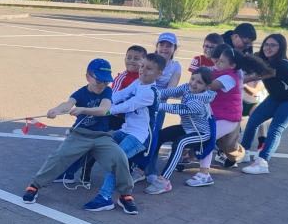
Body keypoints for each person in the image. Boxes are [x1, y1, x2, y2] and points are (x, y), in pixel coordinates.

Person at [21, 59, 136, 212]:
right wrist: (55, 110)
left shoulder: (107, 92)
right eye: (99, 80)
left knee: (119, 157)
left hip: (102, 137)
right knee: (59, 156)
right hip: (80, 135)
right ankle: (34, 186)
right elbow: (67, 104)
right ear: (88, 77)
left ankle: (125, 195)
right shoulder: (81, 92)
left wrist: (82, 110)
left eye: (106, 81)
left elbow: (104, 110)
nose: (102, 84)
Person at [84, 54, 163, 212]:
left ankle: (105, 197)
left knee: (116, 161)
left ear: (159, 73)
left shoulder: (151, 92)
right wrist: (101, 100)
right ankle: (125, 195)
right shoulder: (138, 82)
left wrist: (104, 111)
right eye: (142, 66)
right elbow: (120, 95)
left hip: (139, 137)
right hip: (126, 130)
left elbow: (128, 105)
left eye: (149, 68)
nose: (143, 70)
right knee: (98, 141)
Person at [185, 45, 269, 187]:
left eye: (222, 61)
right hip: (216, 115)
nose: (217, 63)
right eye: (217, 59)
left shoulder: (230, 78)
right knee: (222, 144)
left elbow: (209, 85)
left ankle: (205, 174)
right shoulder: (221, 70)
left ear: (232, 65)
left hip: (228, 118)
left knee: (208, 139)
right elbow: (208, 73)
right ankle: (190, 155)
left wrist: (195, 81)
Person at [240, 33, 288, 175]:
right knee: (254, 119)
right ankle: (243, 152)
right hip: (276, 97)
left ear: (281, 47)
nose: (268, 48)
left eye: (273, 45)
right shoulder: (264, 59)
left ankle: (262, 162)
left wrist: (234, 80)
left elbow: (257, 76)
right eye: (266, 44)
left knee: (276, 128)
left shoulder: (281, 64)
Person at [145, 70, 216, 195]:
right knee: (160, 135)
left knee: (180, 142)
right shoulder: (187, 88)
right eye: (192, 78)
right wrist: (150, 93)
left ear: (206, 87)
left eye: (199, 82)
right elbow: (169, 92)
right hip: (187, 128)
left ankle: (164, 180)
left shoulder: (199, 102)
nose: (193, 83)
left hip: (200, 134)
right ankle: (145, 167)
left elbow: (176, 108)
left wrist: (155, 104)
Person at [137, 32, 182, 184]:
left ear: (174, 48)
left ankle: (149, 168)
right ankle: (135, 166)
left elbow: (170, 90)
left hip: (158, 105)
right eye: (161, 44)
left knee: (153, 136)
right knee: (137, 134)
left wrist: (153, 95)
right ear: (156, 46)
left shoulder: (175, 67)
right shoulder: (148, 60)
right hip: (141, 101)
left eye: (168, 46)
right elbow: (140, 80)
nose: (164, 48)